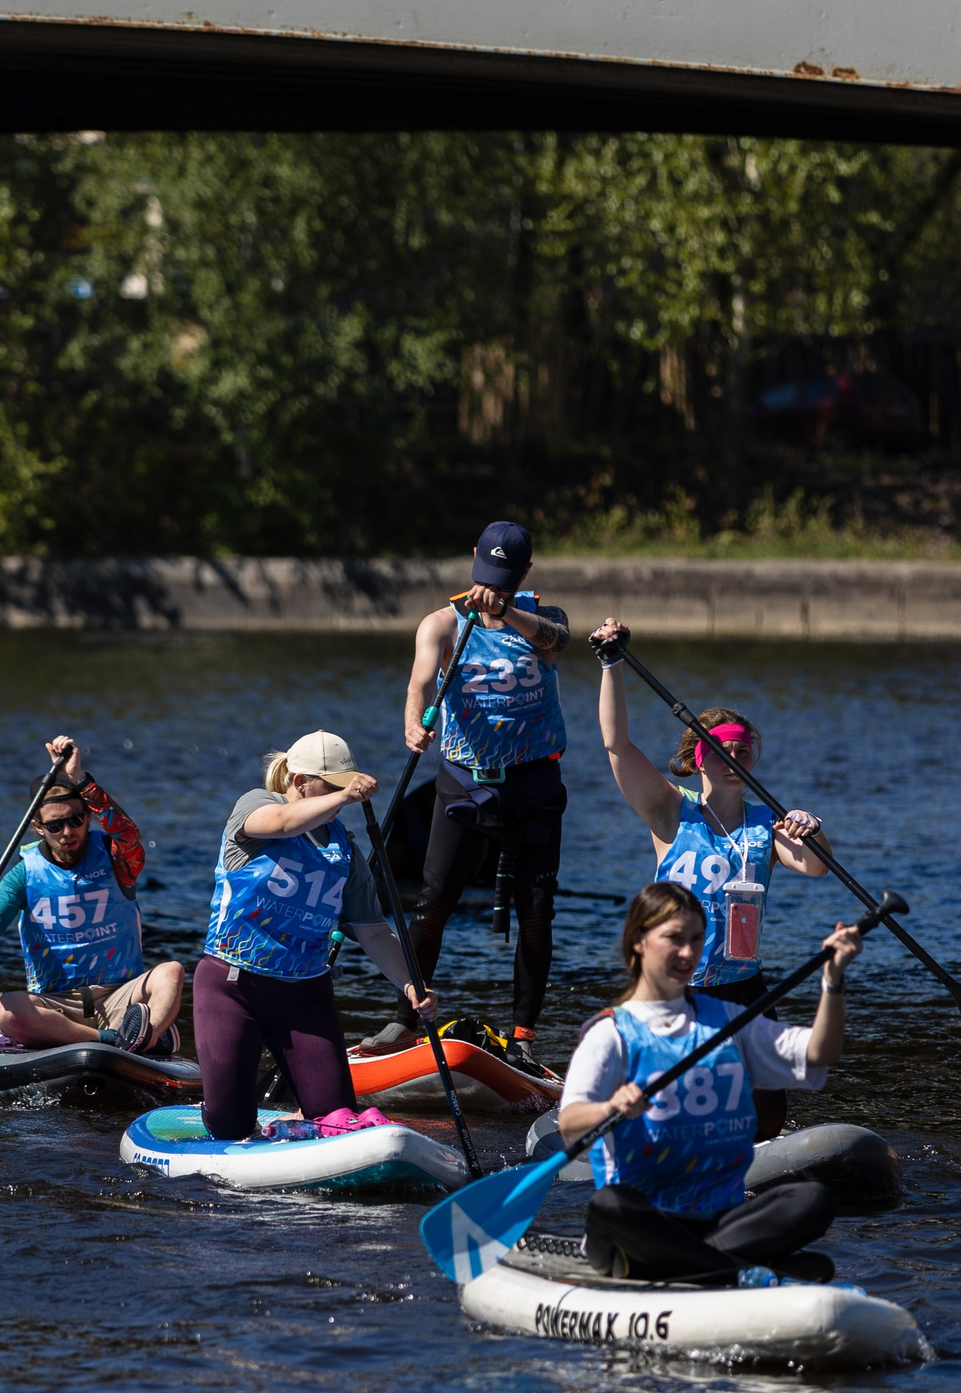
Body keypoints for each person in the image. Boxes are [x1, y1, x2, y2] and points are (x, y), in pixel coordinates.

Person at [588, 616, 829, 1137]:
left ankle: (751, 1165)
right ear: (699, 757)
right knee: (680, 1097)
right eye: (721, 749)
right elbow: (616, 746)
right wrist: (612, 666)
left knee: (768, 1115)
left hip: (744, 987)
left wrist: (813, 828)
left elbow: (813, 865)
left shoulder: (771, 821)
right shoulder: (673, 812)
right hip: (675, 984)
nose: (733, 758)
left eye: (742, 750)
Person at [554, 881, 864, 1284]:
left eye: (697, 939)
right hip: (642, 1226)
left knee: (813, 1198)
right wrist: (610, 1108)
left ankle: (705, 1271)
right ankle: (742, 1274)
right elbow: (570, 1121)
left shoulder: (730, 1022)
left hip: (720, 1223)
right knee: (610, 1205)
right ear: (638, 943)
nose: (687, 953)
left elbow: (820, 1053)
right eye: (673, 939)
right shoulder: (611, 1034)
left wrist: (833, 980)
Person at [358, 522, 571, 1056]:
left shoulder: (543, 618)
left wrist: (506, 613)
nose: (491, 584)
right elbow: (420, 684)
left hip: (534, 781)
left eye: (504, 577)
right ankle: (405, 1020)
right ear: (473, 557)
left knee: (536, 908)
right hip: (463, 779)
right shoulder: (440, 624)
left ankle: (523, 1034)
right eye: (486, 572)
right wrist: (414, 723)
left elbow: (556, 646)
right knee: (433, 904)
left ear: (523, 572)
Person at [197, 730, 438, 1141]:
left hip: (305, 996)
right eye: (332, 788)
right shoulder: (256, 805)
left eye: (346, 788)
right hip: (233, 986)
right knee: (229, 1123)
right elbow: (283, 823)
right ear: (299, 782)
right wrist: (345, 797)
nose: (341, 799)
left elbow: (375, 932)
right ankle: (228, 1114)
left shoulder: (345, 851)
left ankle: (299, 1128)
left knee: (336, 1115)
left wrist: (412, 984)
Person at [0, 736, 185, 1056]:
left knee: (172, 971)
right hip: (56, 1005)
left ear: (89, 816)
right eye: (55, 825)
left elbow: (127, 831)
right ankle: (119, 1041)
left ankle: (143, 1032)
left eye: (76, 819)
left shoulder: (117, 858)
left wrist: (81, 780)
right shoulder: (24, 873)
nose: (68, 832)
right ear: (37, 827)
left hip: (121, 995)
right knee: (6, 1009)